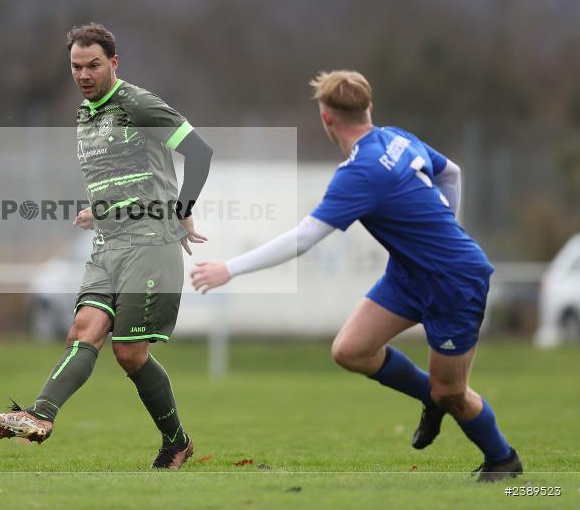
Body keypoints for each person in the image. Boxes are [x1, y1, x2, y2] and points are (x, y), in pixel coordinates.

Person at [190, 70, 522, 482]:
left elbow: (303, 238)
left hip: (454, 280)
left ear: (326, 118)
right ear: (369, 109)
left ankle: (503, 459)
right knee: (350, 350)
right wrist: (440, 231)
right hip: (409, 273)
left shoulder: (360, 173)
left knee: (453, 392)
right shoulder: (396, 137)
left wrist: (229, 268)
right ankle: (431, 399)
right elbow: (451, 172)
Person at [0, 23, 213, 469]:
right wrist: (99, 212)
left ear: (114, 62)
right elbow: (121, 176)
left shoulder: (138, 103)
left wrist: (182, 209)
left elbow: (200, 152)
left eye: (93, 65)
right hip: (108, 243)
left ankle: (176, 442)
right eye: (75, 66)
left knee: (129, 353)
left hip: (150, 241)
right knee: (82, 331)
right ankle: (39, 416)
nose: (84, 75)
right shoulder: (85, 114)